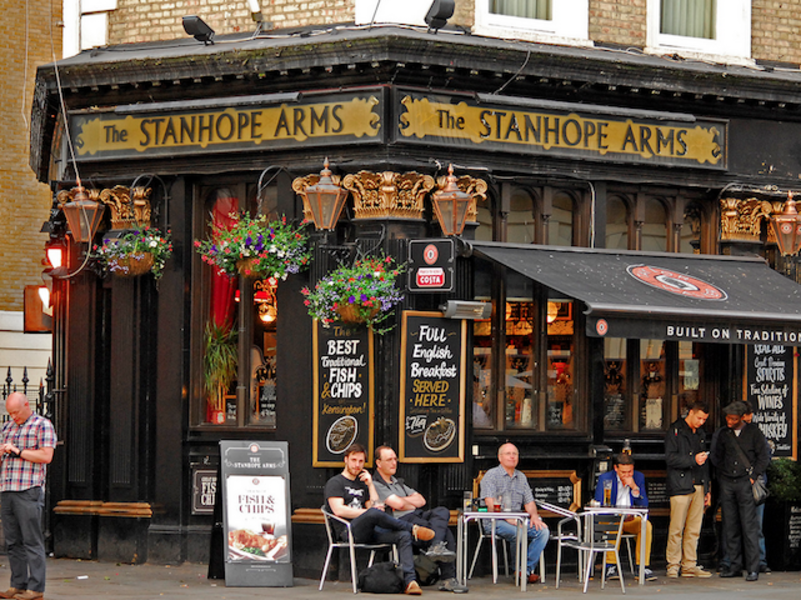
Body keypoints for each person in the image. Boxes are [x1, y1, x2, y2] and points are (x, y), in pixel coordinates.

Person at [324, 443, 435, 595]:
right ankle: (411, 527)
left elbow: (376, 506)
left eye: (361, 461)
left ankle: (410, 581)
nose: (357, 465)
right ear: (346, 460)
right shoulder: (336, 482)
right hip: (348, 531)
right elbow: (338, 510)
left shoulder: (362, 483)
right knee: (373, 514)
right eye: (354, 460)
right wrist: (368, 512)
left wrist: (370, 485)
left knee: (403, 536)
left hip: (370, 531)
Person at [373, 446, 467, 593]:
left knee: (442, 510)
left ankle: (436, 546)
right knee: (446, 532)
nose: (394, 463)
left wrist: (403, 502)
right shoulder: (376, 484)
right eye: (389, 460)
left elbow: (421, 500)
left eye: (395, 459)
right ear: (378, 463)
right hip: (402, 522)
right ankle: (447, 578)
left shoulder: (398, 482)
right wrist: (405, 502)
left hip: (417, 514)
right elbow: (398, 504)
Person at [0, 392, 57, 600]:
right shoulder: (6, 428)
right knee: (12, 541)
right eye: (10, 413)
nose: (13, 417)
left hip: (28, 489)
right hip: (7, 488)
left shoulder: (42, 425)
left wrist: (17, 451)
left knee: (31, 539)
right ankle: (18, 584)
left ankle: (36, 589)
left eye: (16, 412)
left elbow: (46, 455)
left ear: (26, 405)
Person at [710, 401, 769, 582]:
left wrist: (753, 476)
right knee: (730, 525)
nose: (729, 421)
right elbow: (716, 456)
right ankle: (733, 566)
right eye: (728, 418)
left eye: (733, 419)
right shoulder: (723, 434)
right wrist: (723, 475)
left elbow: (764, 456)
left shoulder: (754, 433)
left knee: (749, 526)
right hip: (728, 481)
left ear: (742, 418)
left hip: (745, 482)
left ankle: (753, 568)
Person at [478, 443, 549, 584]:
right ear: (500, 457)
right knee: (519, 532)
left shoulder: (521, 477)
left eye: (515, 454)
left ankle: (525, 570)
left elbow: (529, 502)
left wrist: (534, 516)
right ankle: (520, 569)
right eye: (508, 453)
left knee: (543, 531)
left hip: (518, 521)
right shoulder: (491, 475)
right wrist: (509, 518)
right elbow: (490, 503)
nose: (512, 457)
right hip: (495, 521)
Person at [664, 401, 712, 578]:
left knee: (694, 528)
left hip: (698, 483)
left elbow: (705, 465)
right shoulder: (675, 431)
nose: (701, 422)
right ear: (690, 413)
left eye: (704, 419)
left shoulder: (700, 433)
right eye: (699, 418)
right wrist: (693, 460)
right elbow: (670, 459)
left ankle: (689, 565)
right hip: (680, 485)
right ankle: (673, 565)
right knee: (677, 527)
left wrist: (707, 488)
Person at [594, 453, 656, 581]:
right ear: (616, 469)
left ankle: (642, 567)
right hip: (613, 518)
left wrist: (634, 488)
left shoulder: (638, 477)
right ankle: (610, 566)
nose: (627, 475)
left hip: (631, 519)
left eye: (630, 471)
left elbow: (644, 505)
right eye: (623, 472)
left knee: (646, 525)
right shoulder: (605, 478)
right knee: (613, 524)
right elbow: (600, 503)